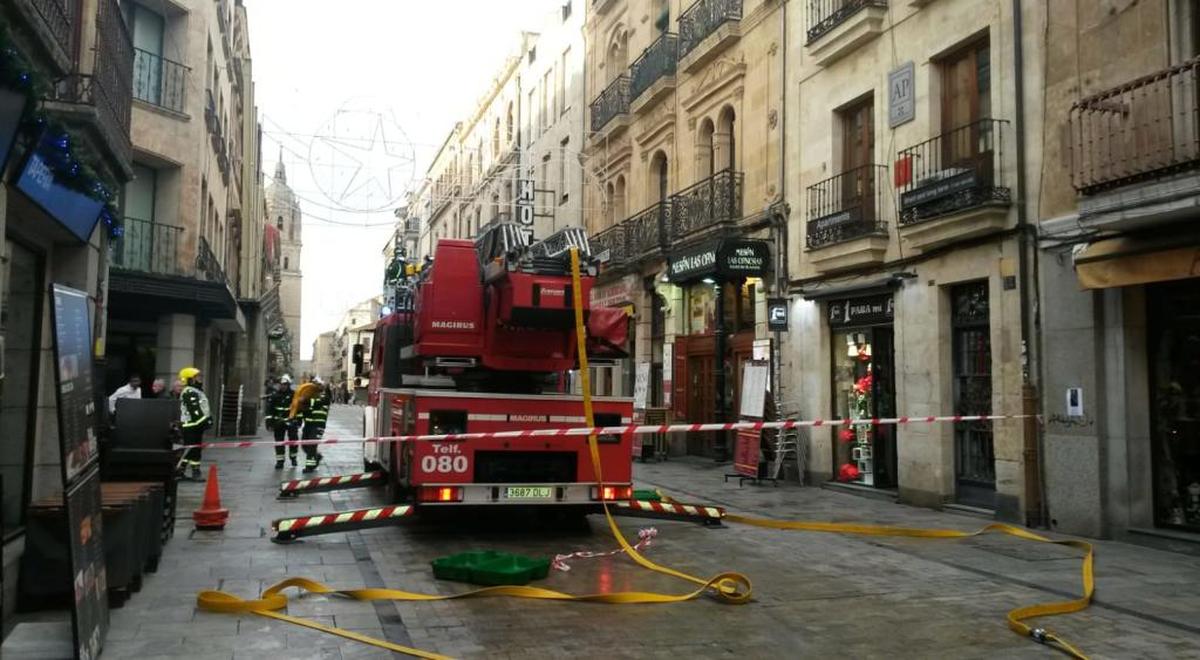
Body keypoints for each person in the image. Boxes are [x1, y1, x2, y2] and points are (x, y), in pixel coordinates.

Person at [178, 367, 212, 481]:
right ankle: (193, 472)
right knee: (192, 449)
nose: (200, 379)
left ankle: (182, 471)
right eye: (197, 377)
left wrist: (208, 419)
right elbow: (195, 410)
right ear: (190, 379)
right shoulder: (189, 391)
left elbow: (203, 408)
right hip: (190, 425)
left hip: (195, 425)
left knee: (194, 449)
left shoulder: (196, 390)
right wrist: (204, 422)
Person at [266, 374, 300, 469]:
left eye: (285, 384)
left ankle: (293, 458)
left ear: (288, 385)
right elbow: (269, 410)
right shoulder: (275, 396)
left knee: (293, 440)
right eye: (281, 384)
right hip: (279, 422)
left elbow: (298, 409)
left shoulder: (294, 395)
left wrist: (299, 421)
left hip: (291, 422)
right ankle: (280, 461)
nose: (283, 386)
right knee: (279, 442)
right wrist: (269, 423)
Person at [300, 377, 329, 473]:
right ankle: (316, 457)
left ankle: (310, 466)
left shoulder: (325, 396)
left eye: (316, 384)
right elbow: (304, 409)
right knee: (304, 445)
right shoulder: (309, 395)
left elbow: (317, 403)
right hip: (308, 424)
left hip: (318, 425)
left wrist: (305, 400)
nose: (314, 386)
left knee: (312, 445)